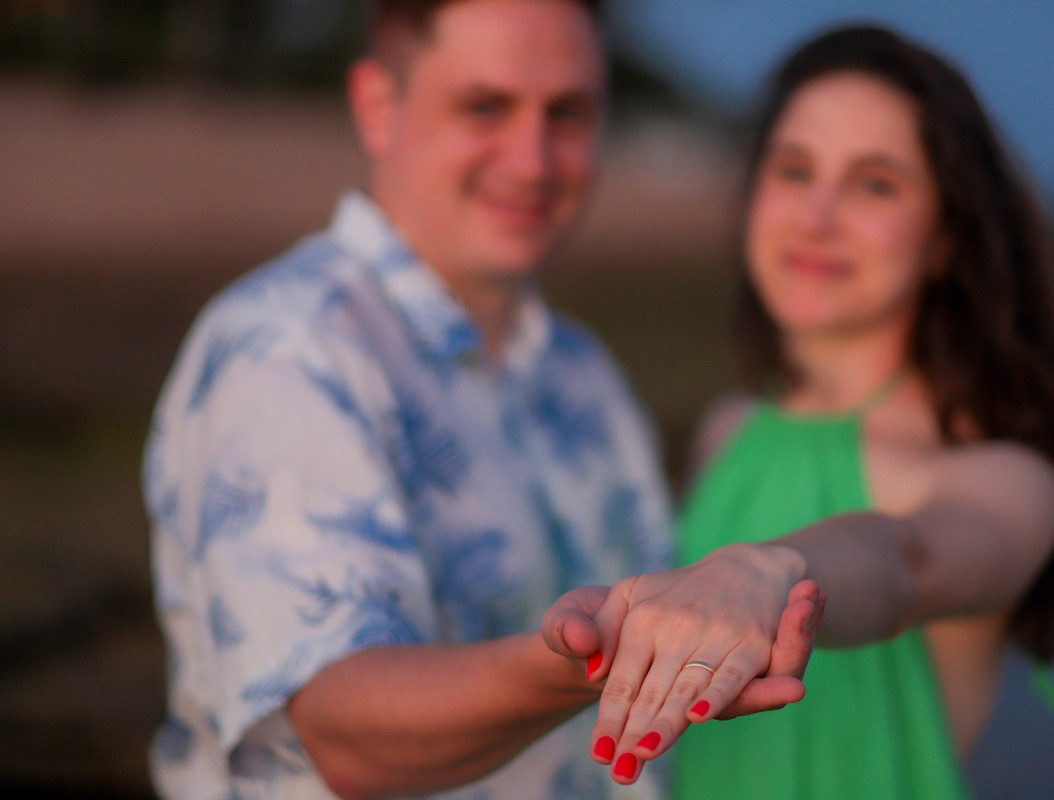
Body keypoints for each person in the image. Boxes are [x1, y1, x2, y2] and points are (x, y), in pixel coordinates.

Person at [142, 1, 822, 798]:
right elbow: (345, 736)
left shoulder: (581, 369)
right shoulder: (285, 349)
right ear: (377, 107)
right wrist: (602, 652)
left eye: (567, 113)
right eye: (485, 107)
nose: (533, 161)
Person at [615, 24, 1054, 799]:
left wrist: (766, 572)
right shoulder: (729, 427)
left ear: (948, 234)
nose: (816, 216)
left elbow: (906, 560)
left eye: (874, 182)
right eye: (793, 170)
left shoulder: (1002, 474)